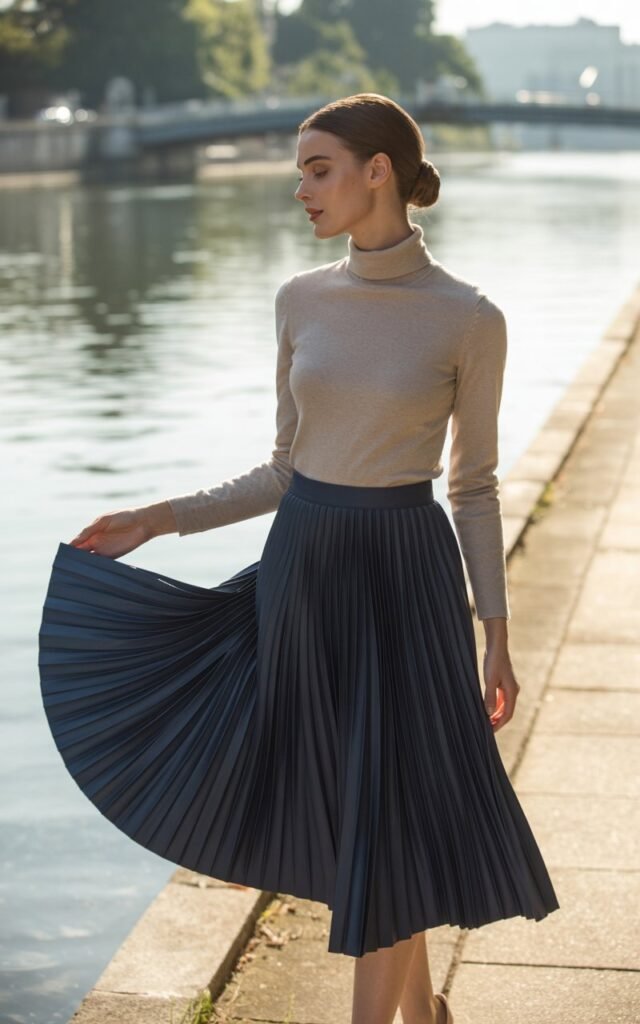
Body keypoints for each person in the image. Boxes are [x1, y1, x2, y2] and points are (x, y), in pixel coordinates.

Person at [38, 93, 560, 1024]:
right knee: (372, 815)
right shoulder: (300, 299)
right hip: (306, 578)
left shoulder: (469, 319)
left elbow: (472, 488)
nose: (300, 189)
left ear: (378, 172)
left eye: (319, 168)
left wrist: (497, 634)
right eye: (300, 169)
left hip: (405, 579)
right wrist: (156, 519)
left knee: (386, 813)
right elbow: (286, 467)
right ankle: (426, 1014)